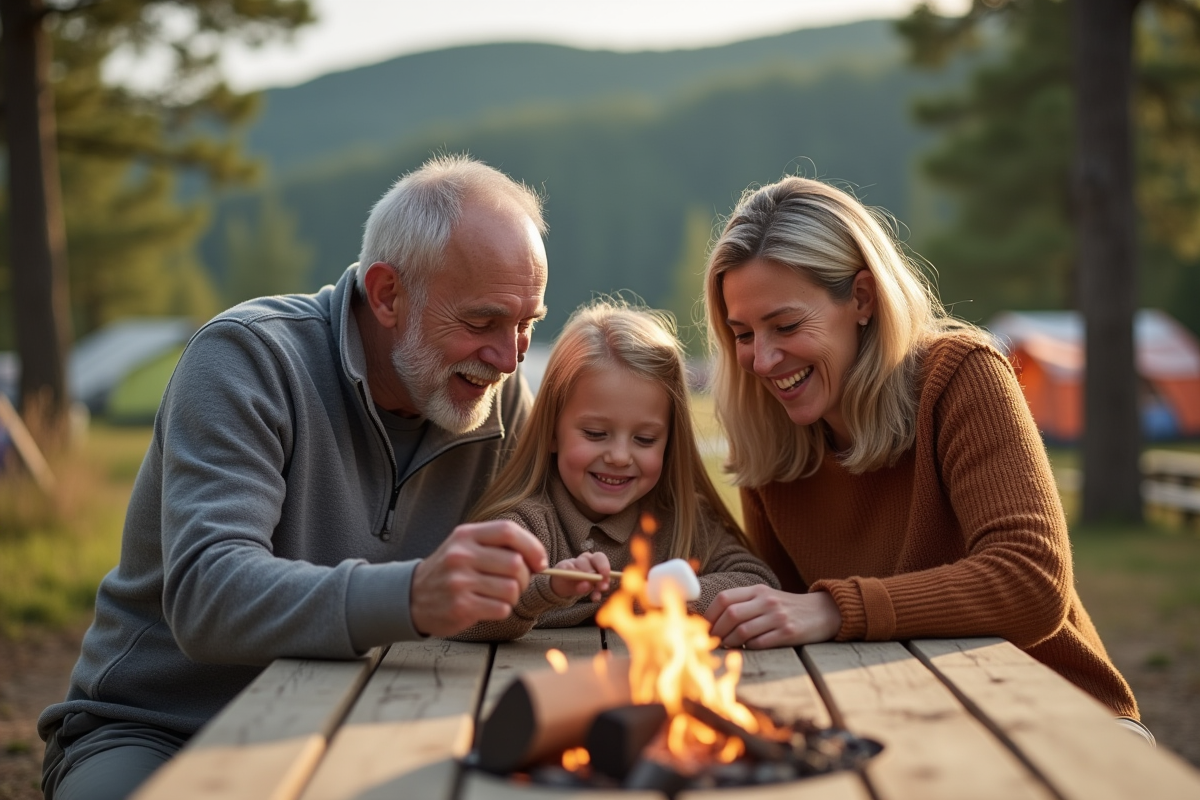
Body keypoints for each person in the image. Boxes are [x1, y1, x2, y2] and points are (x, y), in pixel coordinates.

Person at [38, 155, 556, 800]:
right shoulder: (246, 360)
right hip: (166, 728)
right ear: (389, 293)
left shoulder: (496, 396)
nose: (508, 358)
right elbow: (209, 595)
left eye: (527, 325)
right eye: (481, 322)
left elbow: (563, 543)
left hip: (367, 721)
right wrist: (414, 593)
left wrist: (698, 593)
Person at [699, 176, 1152, 744]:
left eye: (786, 326)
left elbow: (1033, 581)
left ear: (862, 298)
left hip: (1060, 722)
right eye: (742, 334)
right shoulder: (768, 440)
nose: (762, 361)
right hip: (907, 726)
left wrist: (835, 610)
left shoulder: (959, 377)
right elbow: (786, 623)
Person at [453, 300, 778, 641]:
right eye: (595, 434)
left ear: (669, 444)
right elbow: (462, 616)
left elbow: (757, 582)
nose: (620, 456)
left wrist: (648, 598)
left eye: (645, 438)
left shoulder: (681, 520)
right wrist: (546, 590)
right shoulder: (525, 527)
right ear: (552, 432)